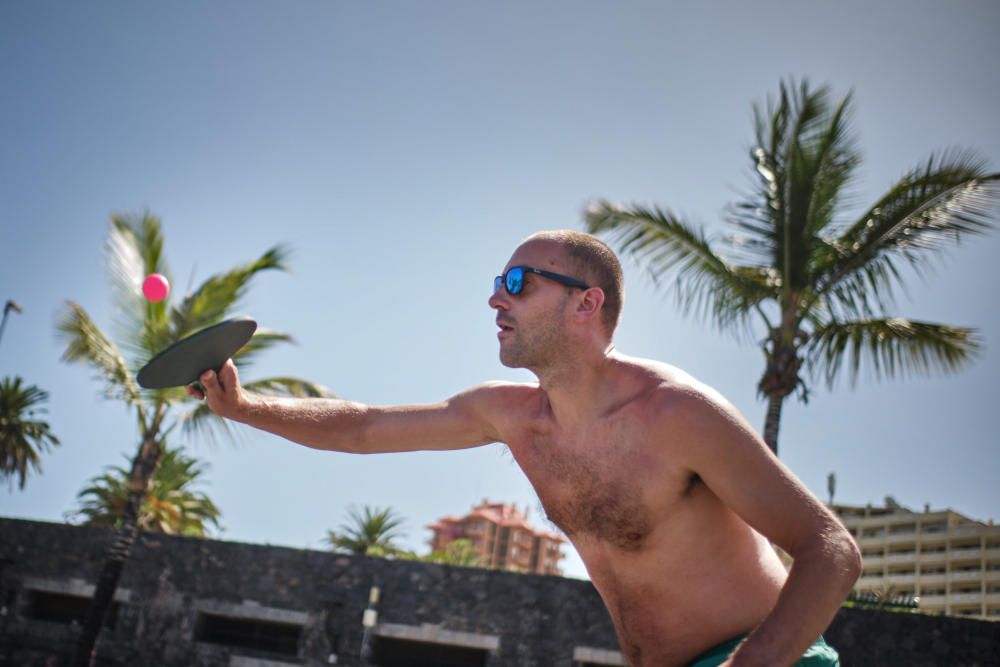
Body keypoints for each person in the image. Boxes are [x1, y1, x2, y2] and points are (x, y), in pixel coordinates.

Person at [191, 230, 861, 666]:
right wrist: (245, 407)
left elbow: (830, 548)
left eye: (519, 283)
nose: (495, 298)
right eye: (497, 283)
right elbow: (364, 427)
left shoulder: (674, 413)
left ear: (585, 304)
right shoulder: (511, 415)